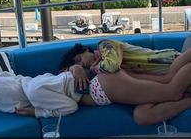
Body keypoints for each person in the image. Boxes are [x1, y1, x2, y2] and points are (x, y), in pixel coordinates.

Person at [56, 41, 191, 125]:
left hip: (166, 64)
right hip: (153, 81)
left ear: (86, 49)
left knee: (171, 77)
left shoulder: (104, 45)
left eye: (80, 59)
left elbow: (112, 64)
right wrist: (74, 68)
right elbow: (61, 78)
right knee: (141, 116)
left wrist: (89, 68)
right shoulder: (97, 74)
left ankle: (177, 90)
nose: (82, 63)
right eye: (79, 64)